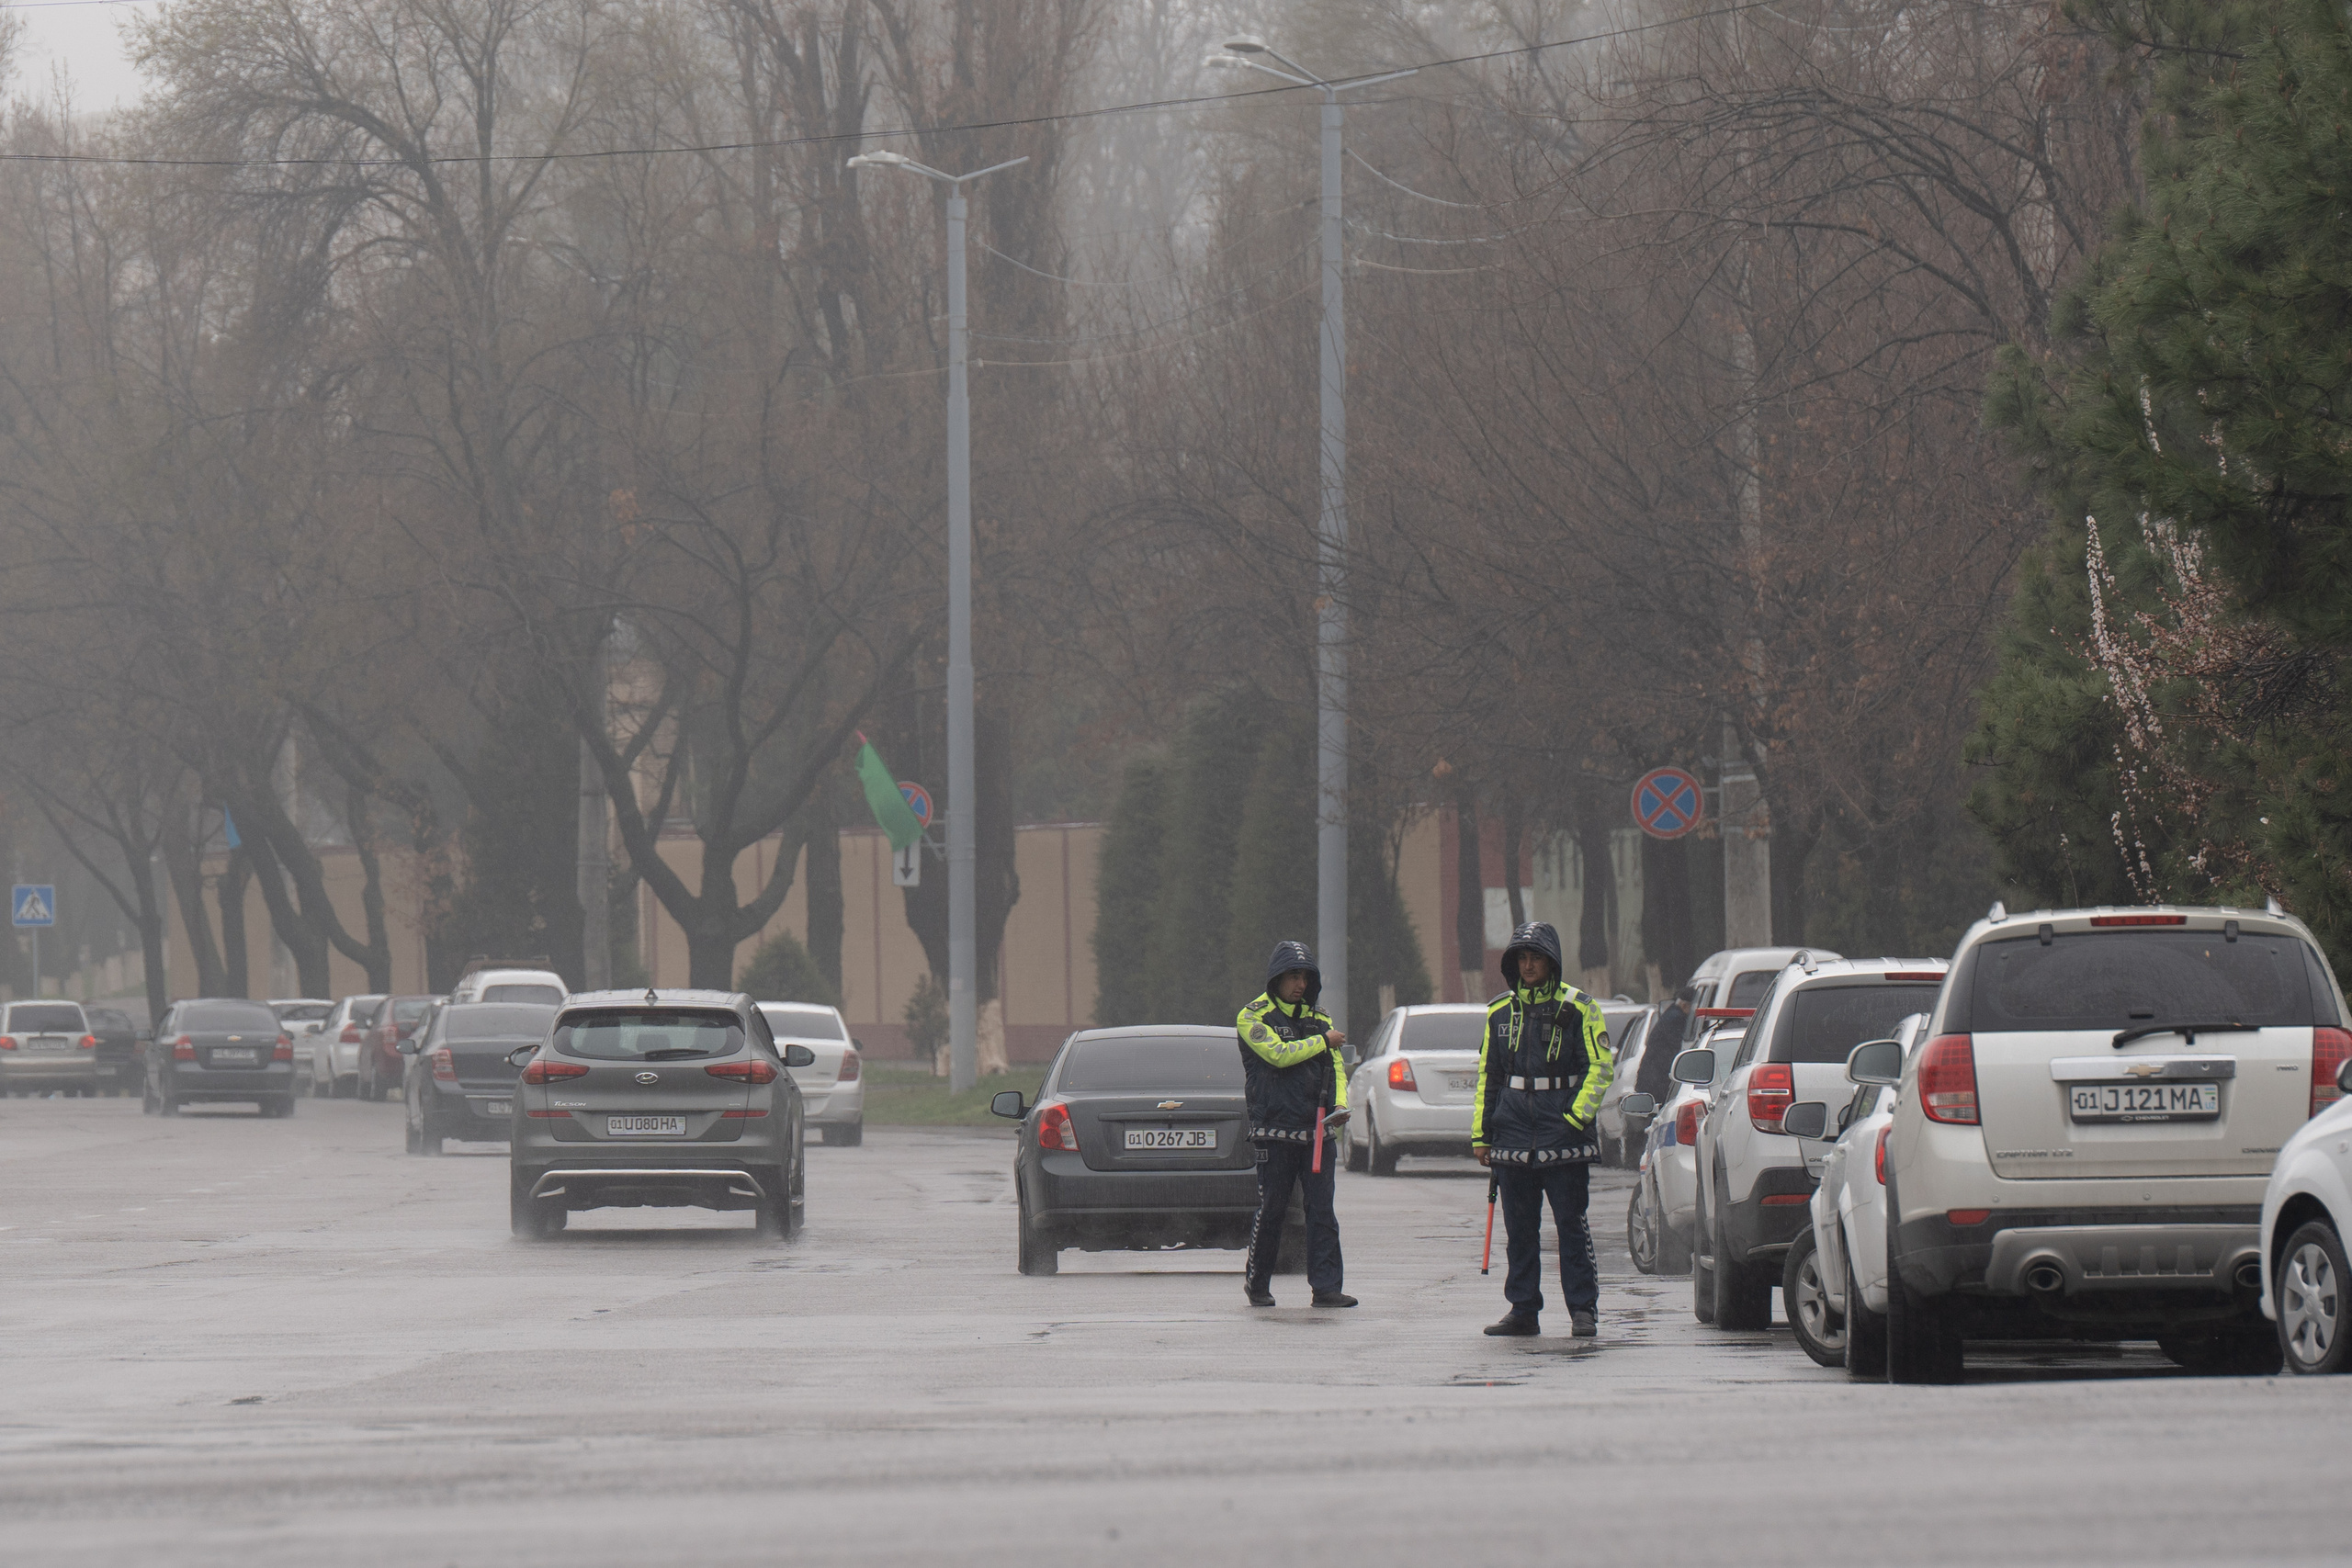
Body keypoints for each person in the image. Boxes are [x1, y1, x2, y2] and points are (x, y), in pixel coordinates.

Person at [1473, 921, 1612, 1337]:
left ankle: (1583, 1310)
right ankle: (1523, 1309)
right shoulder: (1498, 1012)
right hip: (1511, 1133)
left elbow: (1600, 1069)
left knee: (1571, 1224)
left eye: (1536, 957)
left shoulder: (1579, 1008)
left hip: (1563, 1135)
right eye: (1522, 957)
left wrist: (1574, 1119)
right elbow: (1489, 1076)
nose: (1529, 964)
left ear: (1551, 962)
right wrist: (1482, 1135)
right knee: (1519, 1229)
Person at [1237, 940, 1355, 1309]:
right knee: (1272, 1209)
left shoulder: (1320, 1017)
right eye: (1292, 975)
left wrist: (1340, 1104)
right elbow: (1279, 1056)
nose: (1300, 983)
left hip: (1318, 1131)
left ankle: (1327, 1288)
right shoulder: (1252, 1017)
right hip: (1273, 1131)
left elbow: (1335, 1065)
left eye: (1305, 976)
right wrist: (1322, 1041)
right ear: (1276, 978)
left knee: (1322, 1211)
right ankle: (1257, 1284)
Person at [1636, 985, 1696, 1108]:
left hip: (1652, 1075)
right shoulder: (1676, 1018)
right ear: (1685, 1005)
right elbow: (1676, 1045)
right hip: (1657, 1077)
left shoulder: (1671, 1013)